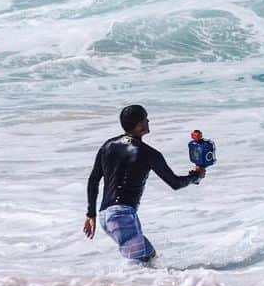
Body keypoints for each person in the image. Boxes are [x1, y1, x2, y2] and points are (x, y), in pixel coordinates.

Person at [83, 104, 204, 264]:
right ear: (140, 125)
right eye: (146, 119)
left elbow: (93, 180)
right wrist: (196, 176)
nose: (148, 121)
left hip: (106, 216)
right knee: (140, 265)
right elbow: (174, 183)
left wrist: (91, 213)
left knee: (150, 259)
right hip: (122, 216)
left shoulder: (107, 146)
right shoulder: (148, 153)